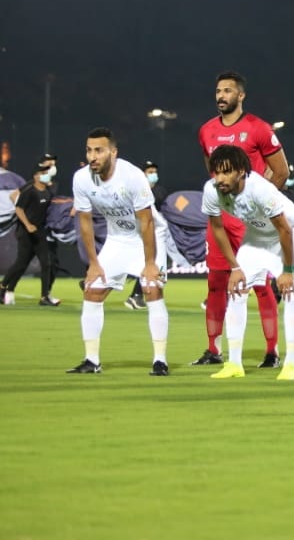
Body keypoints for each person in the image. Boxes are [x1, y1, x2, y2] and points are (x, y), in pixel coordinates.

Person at [195, 71, 290, 368]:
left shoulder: (258, 128)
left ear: (241, 95)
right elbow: (212, 174)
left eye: (227, 91)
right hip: (222, 218)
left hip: (250, 222)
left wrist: (258, 206)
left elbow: (282, 172)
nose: (221, 95)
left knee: (260, 285)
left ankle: (271, 352)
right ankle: (213, 350)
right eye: (218, 90)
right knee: (216, 282)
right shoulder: (206, 131)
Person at [66, 128, 171, 375]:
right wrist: (93, 263)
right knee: (92, 291)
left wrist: (149, 264)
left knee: (151, 289)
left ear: (113, 152)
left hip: (149, 237)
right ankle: (91, 361)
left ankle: (160, 361)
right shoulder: (81, 178)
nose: (93, 156)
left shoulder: (132, 176)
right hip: (118, 239)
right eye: (89, 150)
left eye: (99, 150)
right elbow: (84, 221)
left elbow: (146, 222)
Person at [201, 144, 294, 380]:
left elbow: (284, 229)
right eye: (216, 172)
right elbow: (217, 228)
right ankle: (234, 364)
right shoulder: (212, 190)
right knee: (237, 289)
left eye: (226, 172)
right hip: (256, 235)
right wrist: (235, 268)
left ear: (240, 171)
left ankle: (289, 364)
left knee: (290, 292)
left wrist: (288, 270)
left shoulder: (259, 189)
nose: (219, 178)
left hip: (288, 233)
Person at [1, 161, 59, 306]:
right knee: (21, 264)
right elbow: (19, 209)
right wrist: (27, 225)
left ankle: (44, 297)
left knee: (46, 263)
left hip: (39, 232)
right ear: (36, 176)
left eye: (47, 174)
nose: (46, 176)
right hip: (26, 233)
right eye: (43, 174)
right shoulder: (29, 191)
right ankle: (2, 287)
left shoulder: (47, 192)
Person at [125, 160, 169, 310]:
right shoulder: (136, 190)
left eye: (154, 171)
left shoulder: (160, 191)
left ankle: (137, 295)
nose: (153, 175)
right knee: (141, 263)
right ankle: (135, 295)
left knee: (149, 264)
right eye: (149, 172)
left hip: (154, 233)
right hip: (137, 232)